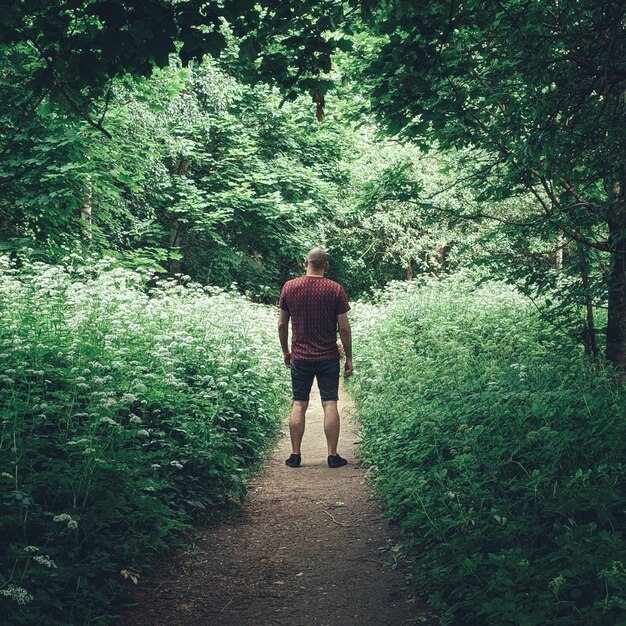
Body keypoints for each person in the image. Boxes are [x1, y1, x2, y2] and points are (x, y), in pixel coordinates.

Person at [278, 247, 353, 469]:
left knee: (299, 402)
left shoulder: (290, 287)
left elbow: (282, 324)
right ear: (326, 265)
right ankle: (332, 455)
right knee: (330, 402)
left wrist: (285, 351)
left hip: (300, 357)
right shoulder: (335, 289)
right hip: (328, 356)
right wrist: (348, 357)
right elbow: (344, 329)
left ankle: (295, 455)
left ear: (305, 263)